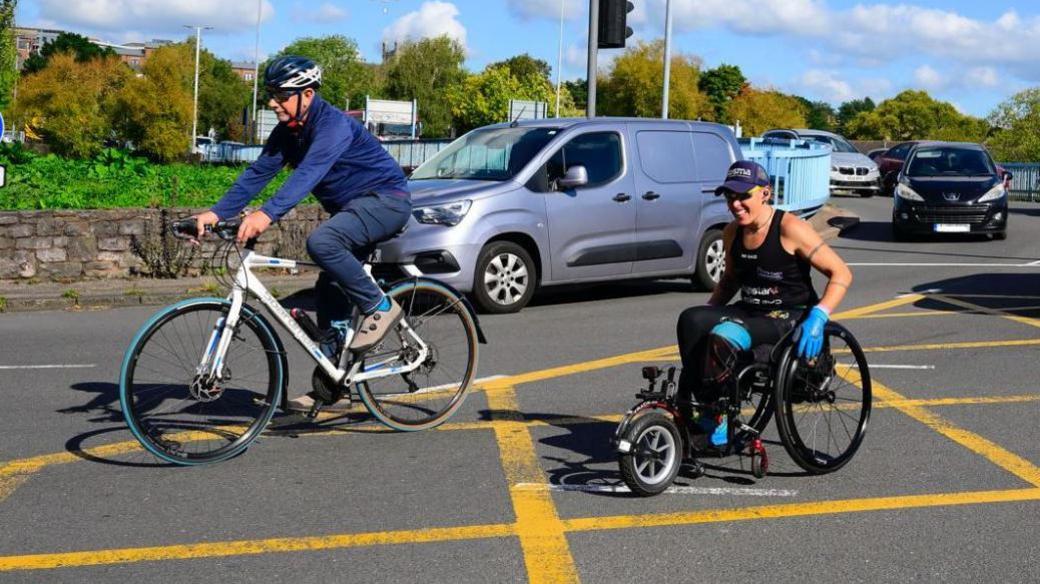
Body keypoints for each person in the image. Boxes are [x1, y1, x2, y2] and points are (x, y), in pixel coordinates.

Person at [192, 56, 413, 412]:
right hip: (352, 210)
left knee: (322, 242)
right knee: (329, 293)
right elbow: (257, 174)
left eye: (280, 94)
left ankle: (380, 306)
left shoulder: (333, 127)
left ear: (306, 95)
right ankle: (333, 388)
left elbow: (307, 174)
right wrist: (216, 212)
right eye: (271, 94)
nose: (272, 102)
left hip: (386, 201)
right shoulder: (288, 133)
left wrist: (266, 214)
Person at [676, 160, 852, 447]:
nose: (735, 204)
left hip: (790, 315)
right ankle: (702, 406)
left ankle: (721, 416)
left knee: (725, 335)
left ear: (765, 194)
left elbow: (841, 273)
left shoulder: (790, 228)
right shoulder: (732, 232)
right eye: (730, 197)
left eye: (744, 196)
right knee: (691, 320)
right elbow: (730, 280)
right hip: (751, 311)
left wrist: (819, 315)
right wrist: (708, 312)